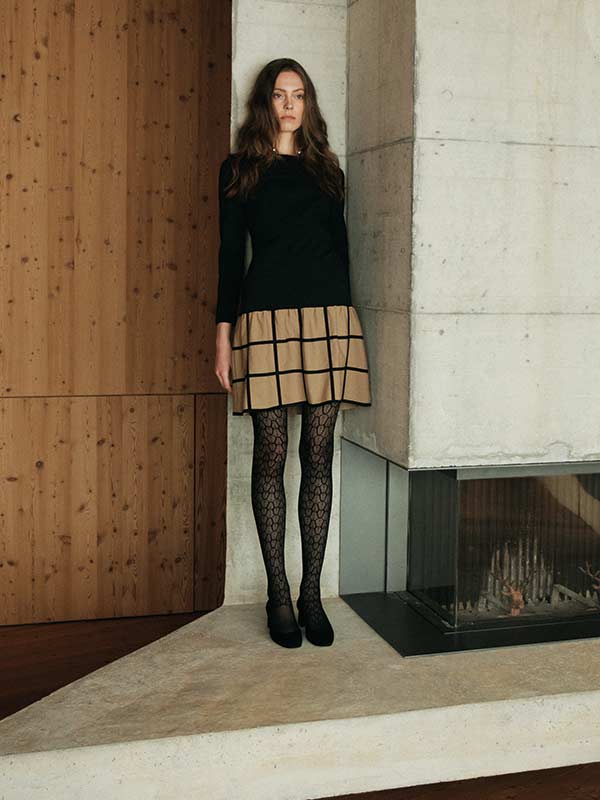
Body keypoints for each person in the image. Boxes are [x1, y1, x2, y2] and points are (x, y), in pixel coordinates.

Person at [214, 58, 372, 649]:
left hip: (329, 320)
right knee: (271, 455)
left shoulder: (327, 170)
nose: (288, 105)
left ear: (308, 104)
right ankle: (277, 596)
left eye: (298, 95)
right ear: (265, 102)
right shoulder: (239, 170)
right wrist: (222, 336)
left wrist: (347, 328)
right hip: (263, 320)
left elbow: (341, 253)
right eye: (280, 95)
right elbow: (230, 257)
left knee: (318, 454)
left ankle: (311, 595)